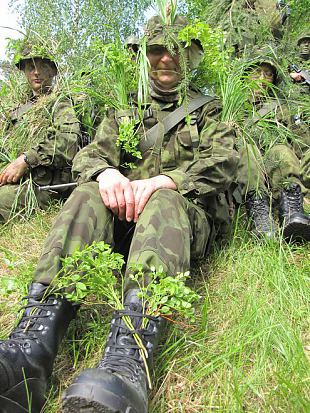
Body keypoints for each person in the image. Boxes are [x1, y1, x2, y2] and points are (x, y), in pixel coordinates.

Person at [0, 14, 239, 413]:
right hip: (126, 224)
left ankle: (130, 358)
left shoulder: (211, 112)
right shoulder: (125, 111)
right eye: (157, 50)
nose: (167, 58)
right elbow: (90, 153)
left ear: (191, 56)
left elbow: (225, 160)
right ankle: (31, 349)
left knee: (163, 200)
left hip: (180, 221)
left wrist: (168, 181)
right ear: (145, 57)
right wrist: (107, 171)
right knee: (87, 193)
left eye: (176, 50)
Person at [0, 40, 80, 223]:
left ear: (53, 71)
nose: (36, 72)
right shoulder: (16, 110)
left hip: (43, 185)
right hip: (15, 180)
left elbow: (68, 140)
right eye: (30, 67)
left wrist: (27, 159)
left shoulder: (60, 102)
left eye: (43, 66)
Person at [236, 53, 310, 241]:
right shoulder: (233, 108)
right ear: (245, 76)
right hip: (246, 169)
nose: (262, 79)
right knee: (248, 151)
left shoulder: (281, 108)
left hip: (276, 167)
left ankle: (292, 212)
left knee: (281, 150)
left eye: (268, 74)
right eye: (257, 73)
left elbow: (301, 140)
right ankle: (260, 218)